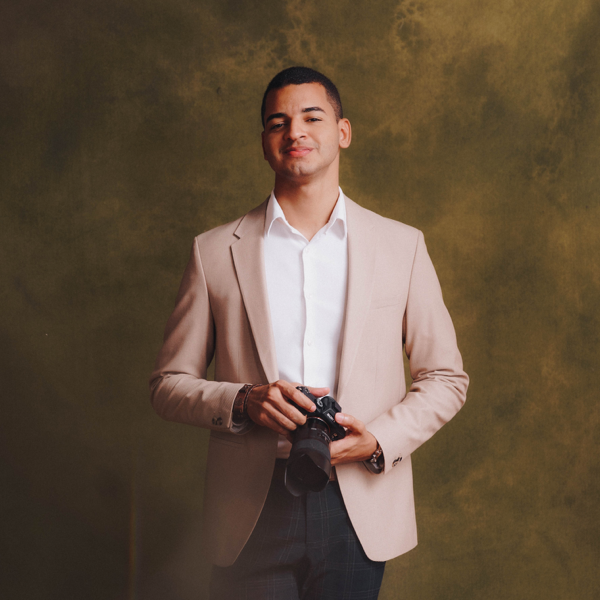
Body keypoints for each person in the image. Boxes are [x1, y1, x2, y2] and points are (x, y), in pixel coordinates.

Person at [150, 66, 469, 599]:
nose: (294, 131)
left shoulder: (402, 246)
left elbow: (446, 378)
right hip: (251, 508)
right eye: (278, 122)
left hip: (358, 504)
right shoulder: (214, 252)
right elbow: (167, 384)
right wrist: (245, 400)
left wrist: (378, 441)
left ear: (343, 132)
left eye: (311, 117)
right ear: (264, 143)